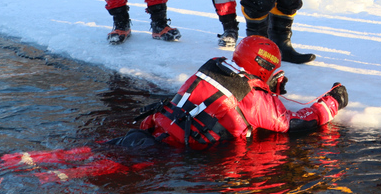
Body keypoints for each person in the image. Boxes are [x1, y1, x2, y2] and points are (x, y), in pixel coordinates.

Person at [113, 36, 349, 148]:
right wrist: (332, 102)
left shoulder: (213, 66)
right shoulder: (255, 97)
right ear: (264, 66)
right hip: (169, 152)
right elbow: (297, 123)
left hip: (151, 131)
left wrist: (271, 90)